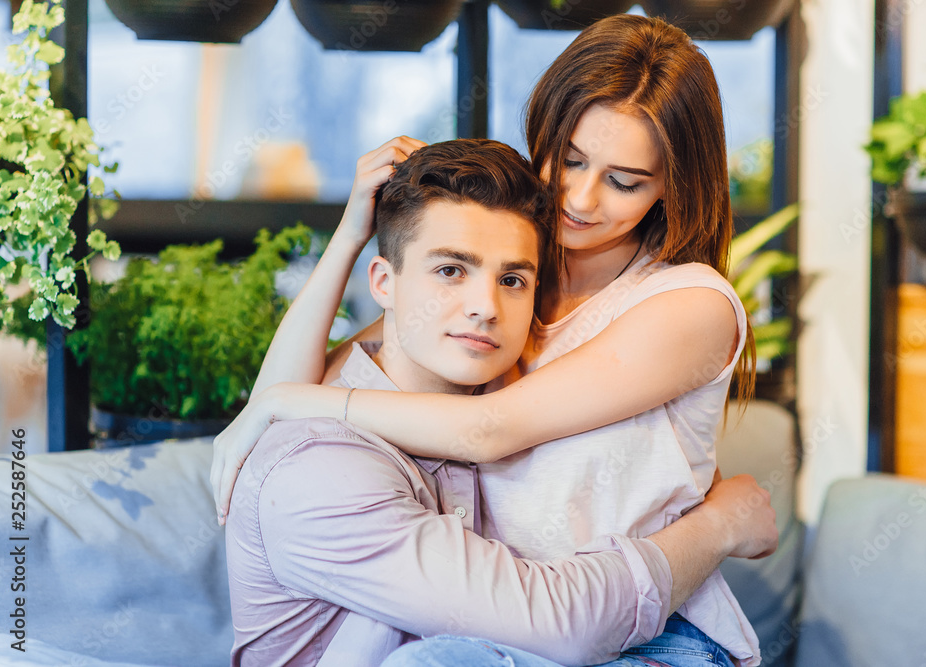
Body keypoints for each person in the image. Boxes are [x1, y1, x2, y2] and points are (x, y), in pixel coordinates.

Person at [214, 13, 776, 667]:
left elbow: (489, 429)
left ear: (672, 186)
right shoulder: (511, 281)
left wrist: (292, 402)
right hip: (519, 627)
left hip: (651, 635)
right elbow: (296, 409)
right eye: (569, 159)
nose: (580, 199)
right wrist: (350, 234)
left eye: (625, 181)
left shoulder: (688, 305)